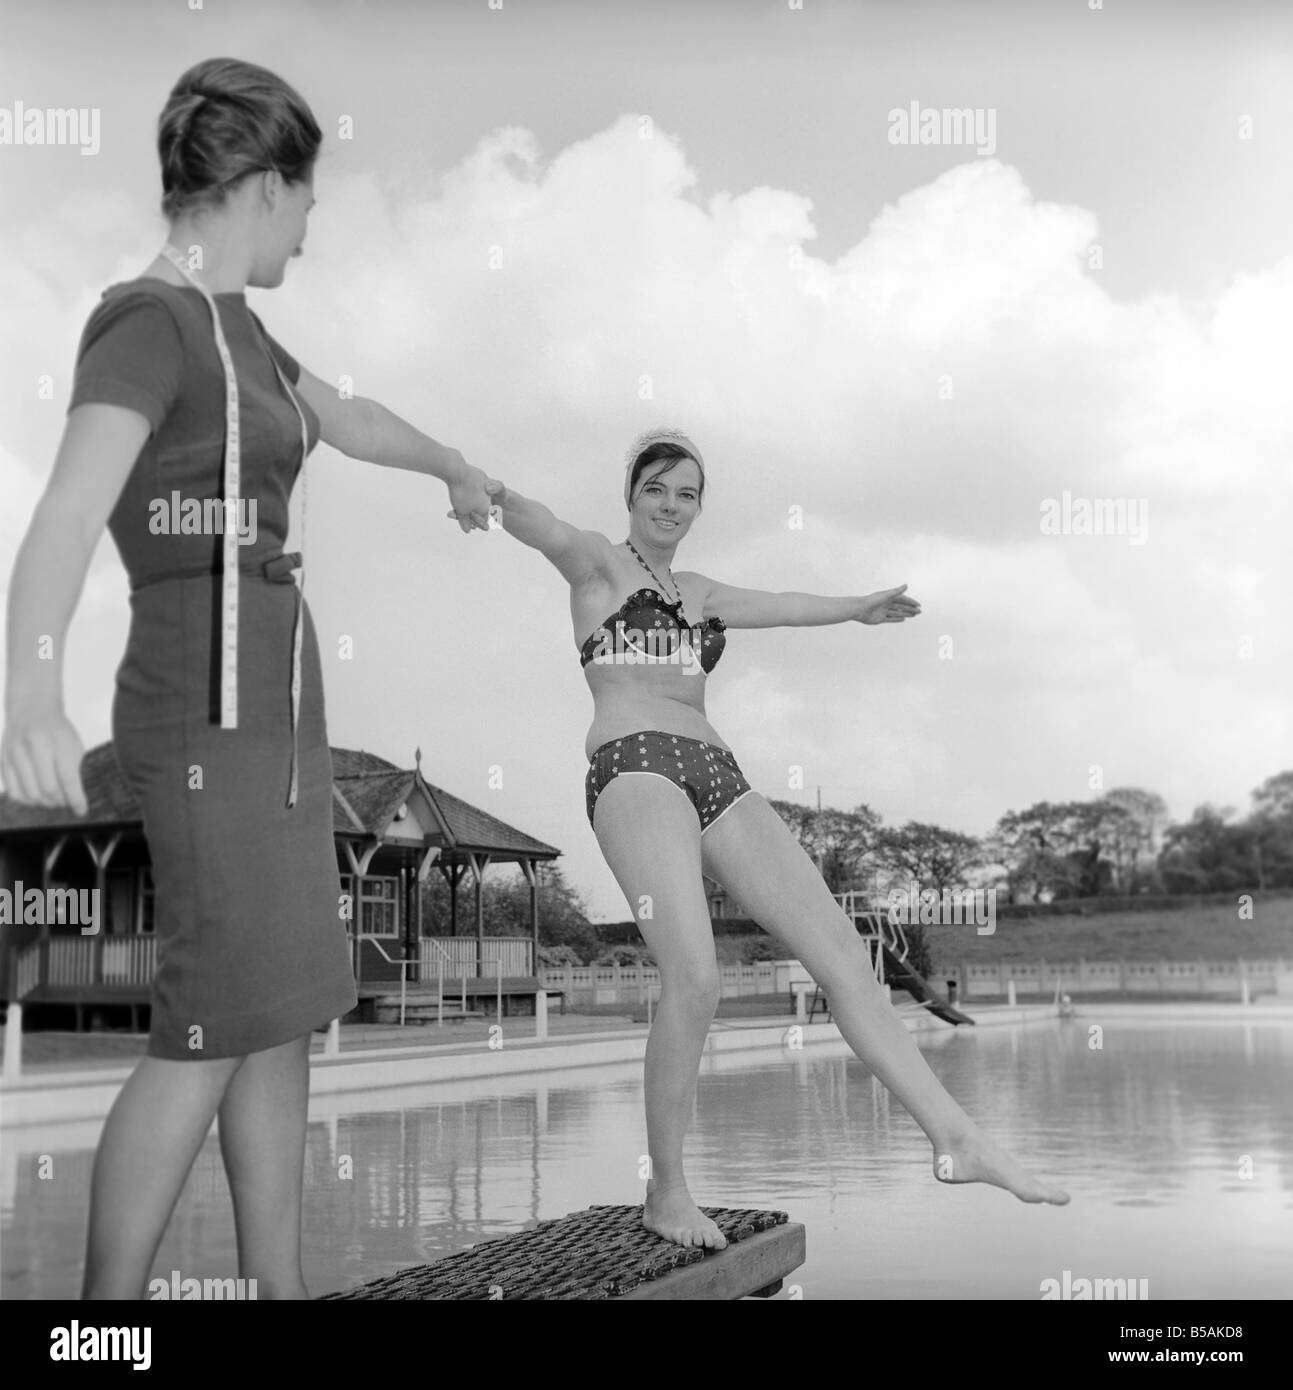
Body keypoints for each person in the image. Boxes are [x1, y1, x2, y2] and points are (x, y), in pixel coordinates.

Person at [0, 57, 493, 1300]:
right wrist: (29, 688)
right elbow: (65, 513)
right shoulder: (148, 320)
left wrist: (454, 465)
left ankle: (283, 1292)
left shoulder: (247, 334)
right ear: (268, 187)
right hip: (199, 708)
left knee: (278, 1010)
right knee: (209, 1022)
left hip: (276, 717)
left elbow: (353, 415)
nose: (315, 225)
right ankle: (98, 1331)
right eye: (310, 199)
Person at [471, 427, 1070, 1249]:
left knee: (846, 958)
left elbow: (784, 606)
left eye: (687, 495)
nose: (672, 506)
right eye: (657, 490)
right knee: (695, 977)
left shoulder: (701, 590)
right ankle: (668, 1193)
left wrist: (857, 607)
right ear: (631, 494)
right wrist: (482, 489)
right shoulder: (598, 566)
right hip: (636, 767)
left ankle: (956, 1138)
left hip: (721, 775)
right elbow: (542, 524)